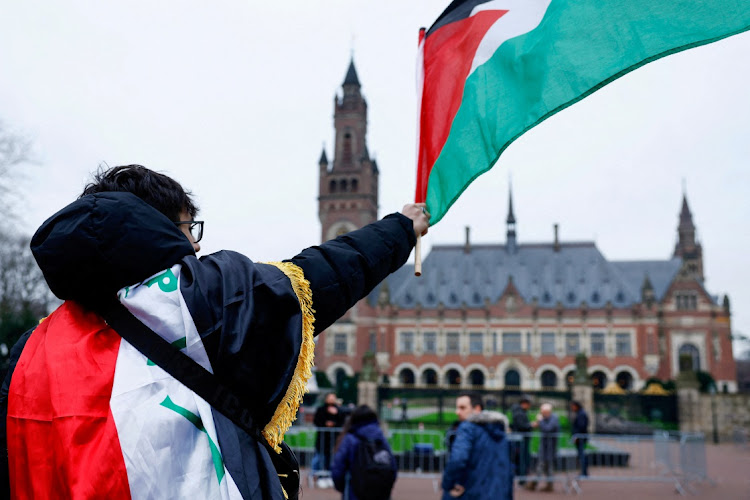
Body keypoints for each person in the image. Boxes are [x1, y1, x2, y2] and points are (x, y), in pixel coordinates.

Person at [0, 165, 429, 499]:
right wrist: (399, 229)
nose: (197, 245)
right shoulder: (199, 297)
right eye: (189, 228)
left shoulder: (32, 349)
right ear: (157, 227)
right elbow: (320, 276)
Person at [441, 392, 512, 500]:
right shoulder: (500, 431)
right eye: (457, 408)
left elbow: (458, 459)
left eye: (462, 408)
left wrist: (447, 484)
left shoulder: (467, 428)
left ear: (477, 409)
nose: (457, 412)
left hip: (472, 493)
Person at [330, 405, 396, 500]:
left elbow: (338, 467)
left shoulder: (350, 438)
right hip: (380, 492)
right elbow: (392, 466)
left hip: (355, 491)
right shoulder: (381, 438)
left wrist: (342, 487)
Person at [313, 392, 345, 488]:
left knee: (332, 460)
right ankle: (321, 477)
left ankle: (330, 477)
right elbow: (317, 421)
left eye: (333, 398)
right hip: (323, 439)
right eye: (330, 398)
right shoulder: (321, 409)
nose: (331, 400)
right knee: (321, 458)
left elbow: (342, 422)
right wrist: (326, 423)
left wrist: (337, 414)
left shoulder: (339, 410)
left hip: (334, 440)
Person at [527, 403, 559, 492]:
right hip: (544, 446)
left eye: (543, 412)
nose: (542, 413)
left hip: (550, 447)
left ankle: (548, 485)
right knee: (541, 465)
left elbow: (548, 429)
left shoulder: (554, 418)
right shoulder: (546, 418)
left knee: (548, 466)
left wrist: (540, 421)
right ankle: (535, 483)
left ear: (547, 411)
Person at [510, 395, 533, 485]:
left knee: (522, 458)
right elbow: (521, 426)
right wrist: (530, 425)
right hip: (521, 439)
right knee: (522, 459)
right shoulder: (519, 413)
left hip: (522, 439)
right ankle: (522, 478)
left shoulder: (519, 412)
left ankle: (522, 477)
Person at [570, 401, 589, 477]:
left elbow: (581, 426)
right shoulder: (580, 413)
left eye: (573, 406)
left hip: (580, 438)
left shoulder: (581, 414)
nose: (572, 408)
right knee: (581, 454)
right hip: (580, 437)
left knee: (582, 455)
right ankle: (583, 472)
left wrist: (577, 436)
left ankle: (584, 472)